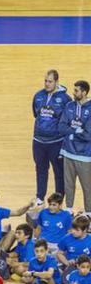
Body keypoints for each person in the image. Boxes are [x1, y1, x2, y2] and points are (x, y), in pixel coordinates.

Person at [32, 69, 70, 202]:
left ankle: (58, 199)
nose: (47, 84)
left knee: (59, 172)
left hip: (56, 142)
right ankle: (39, 198)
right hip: (38, 141)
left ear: (56, 82)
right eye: (45, 81)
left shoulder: (65, 99)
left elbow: (68, 120)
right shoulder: (38, 96)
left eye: (50, 81)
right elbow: (36, 114)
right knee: (41, 170)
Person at [58, 79, 91, 211]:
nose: (74, 92)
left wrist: (71, 133)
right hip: (68, 152)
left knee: (87, 187)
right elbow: (61, 127)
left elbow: (89, 135)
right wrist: (77, 131)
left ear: (84, 92)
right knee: (68, 185)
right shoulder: (70, 106)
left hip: (84, 156)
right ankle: (69, 210)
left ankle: (89, 213)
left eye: (76, 90)